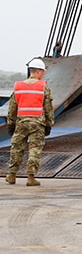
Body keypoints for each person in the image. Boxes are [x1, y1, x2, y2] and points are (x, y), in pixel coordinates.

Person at [5, 57, 55, 186]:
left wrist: (11, 124)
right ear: (38, 71)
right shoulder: (43, 87)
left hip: (21, 122)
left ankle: (11, 175)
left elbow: (12, 108)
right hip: (37, 123)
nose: (43, 74)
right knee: (35, 149)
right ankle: (30, 177)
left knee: (16, 148)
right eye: (43, 71)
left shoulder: (18, 86)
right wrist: (49, 124)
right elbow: (48, 108)